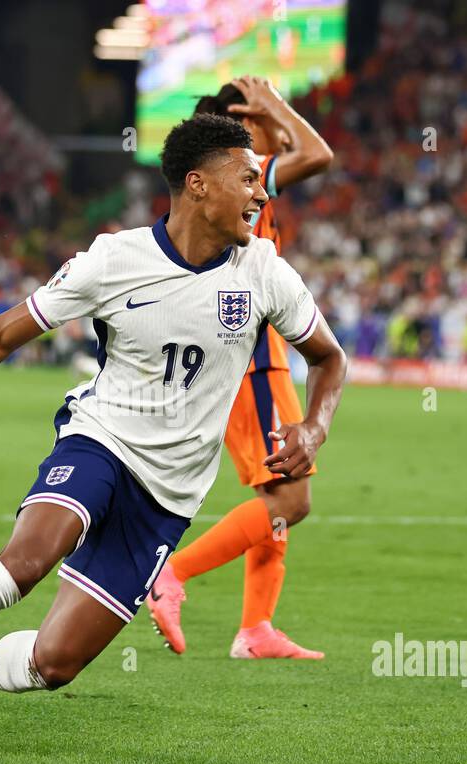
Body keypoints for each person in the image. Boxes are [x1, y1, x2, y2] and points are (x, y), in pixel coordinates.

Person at [0, 114, 347, 760]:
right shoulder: (113, 260)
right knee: (25, 561)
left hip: (168, 497)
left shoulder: (263, 270)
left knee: (56, 662)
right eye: (247, 178)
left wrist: (314, 428)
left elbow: (330, 357)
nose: (262, 193)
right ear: (198, 185)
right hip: (100, 440)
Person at [144, 75, 335, 660]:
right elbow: (318, 155)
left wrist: (271, 111)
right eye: (253, 124)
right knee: (292, 500)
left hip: (243, 359)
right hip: (253, 362)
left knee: (275, 488)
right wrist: (273, 104)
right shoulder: (241, 177)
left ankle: (256, 628)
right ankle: (171, 574)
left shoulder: (222, 190)